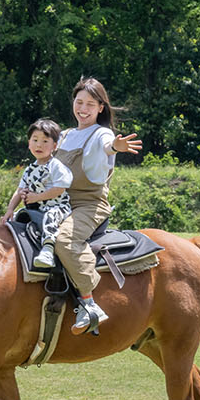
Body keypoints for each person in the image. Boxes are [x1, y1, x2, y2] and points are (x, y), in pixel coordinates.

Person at [51, 77, 142, 334]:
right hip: (57, 203)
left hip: (89, 205)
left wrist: (116, 146)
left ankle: (90, 305)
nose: (83, 108)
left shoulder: (102, 133)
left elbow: (105, 146)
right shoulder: (65, 135)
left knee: (65, 241)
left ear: (101, 107)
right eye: (79, 102)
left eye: (90, 104)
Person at [4, 117, 72, 266]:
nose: (39, 145)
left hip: (57, 206)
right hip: (36, 207)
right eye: (35, 140)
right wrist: (10, 210)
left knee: (50, 217)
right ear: (29, 144)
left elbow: (60, 188)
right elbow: (19, 190)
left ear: (54, 146)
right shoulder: (29, 169)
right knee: (15, 219)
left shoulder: (56, 166)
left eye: (45, 141)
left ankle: (48, 249)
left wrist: (37, 197)